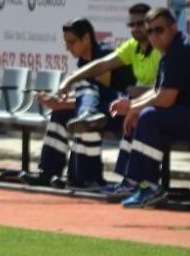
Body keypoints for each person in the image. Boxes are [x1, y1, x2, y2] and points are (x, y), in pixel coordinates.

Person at [27, 18, 136, 190]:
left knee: (86, 119)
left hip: (123, 111)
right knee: (61, 114)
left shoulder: (103, 56)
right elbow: (88, 99)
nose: (68, 47)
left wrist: (59, 103)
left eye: (71, 42)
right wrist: (59, 104)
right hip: (104, 109)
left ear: (86, 38)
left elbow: (97, 100)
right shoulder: (83, 62)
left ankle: (88, 177)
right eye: (66, 43)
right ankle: (48, 172)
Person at [104, 7, 190, 208]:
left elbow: (165, 99)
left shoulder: (182, 50)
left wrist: (134, 108)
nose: (154, 36)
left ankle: (149, 187)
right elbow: (157, 91)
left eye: (159, 30)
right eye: (150, 31)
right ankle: (131, 183)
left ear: (173, 27)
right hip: (186, 114)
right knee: (140, 116)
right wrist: (132, 107)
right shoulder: (169, 51)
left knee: (148, 117)